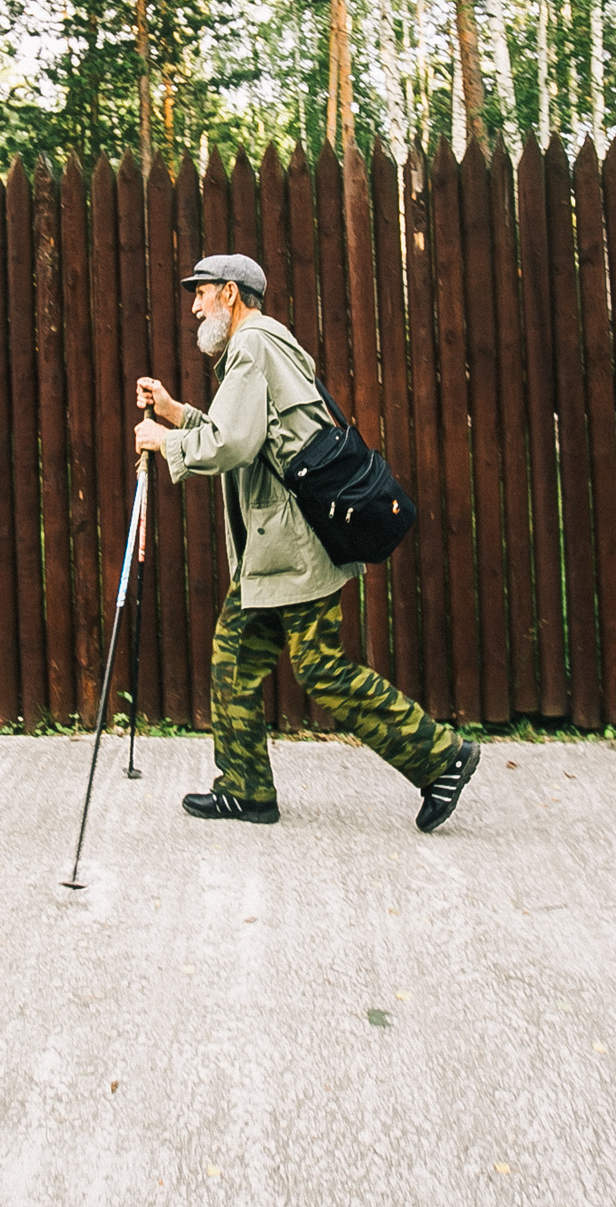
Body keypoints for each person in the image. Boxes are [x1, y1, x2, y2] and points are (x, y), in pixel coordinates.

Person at [133, 254, 481, 832]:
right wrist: (177, 413)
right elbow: (255, 436)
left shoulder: (250, 347)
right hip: (278, 548)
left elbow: (234, 446)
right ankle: (246, 789)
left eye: (202, 293)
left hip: (291, 547)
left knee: (319, 668)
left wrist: (164, 442)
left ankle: (442, 757)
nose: (194, 306)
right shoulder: (270, 343)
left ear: (232, 295)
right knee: (236, 660)